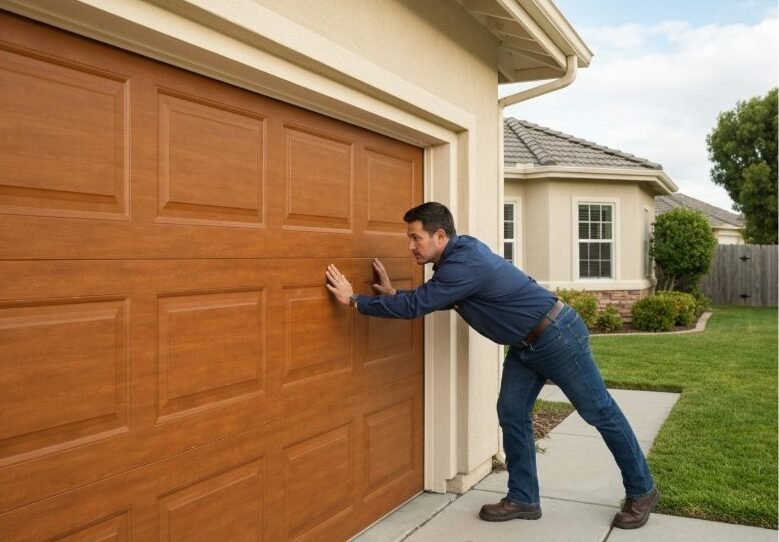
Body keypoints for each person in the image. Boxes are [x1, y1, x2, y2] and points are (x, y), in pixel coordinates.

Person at [325, 201, 659, 529]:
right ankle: (524, 498)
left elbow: (420, 304)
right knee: (511, 413)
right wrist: (393, 297)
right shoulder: (458, 257)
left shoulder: (461, 264)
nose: (410, 245)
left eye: (416, 237)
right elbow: (433, 297)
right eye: (409, 238)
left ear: (439, 235)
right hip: (526, 343)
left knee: (600, 411)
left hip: (556, 336)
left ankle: (642, 491)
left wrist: (355, 300)